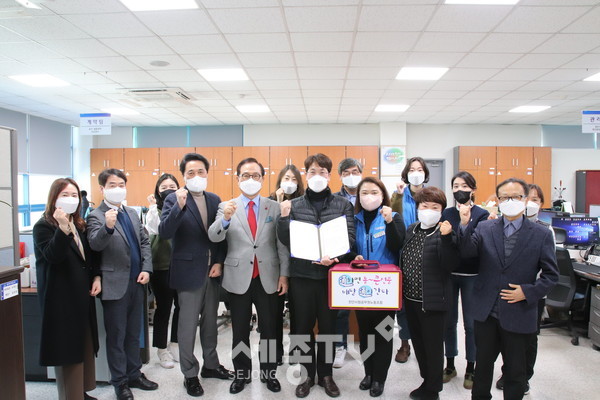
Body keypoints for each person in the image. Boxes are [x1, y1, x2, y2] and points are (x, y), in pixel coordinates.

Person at [458, 178, 559, 400]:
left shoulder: (541, 234)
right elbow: (467, 253)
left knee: (515, 372)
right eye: (505, 197)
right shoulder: (485, 227)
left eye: (516, 197)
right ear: (498, 200)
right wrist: (464, 225)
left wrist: (528, 292)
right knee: (482, 368)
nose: (510, 201)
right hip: (486, 312)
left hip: (519, 312)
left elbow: (552, 275)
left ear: (525, 199)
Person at [277, 153, 355, 398]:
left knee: (329, 328)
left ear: (329, 176)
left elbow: (350, 238)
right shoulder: (295, 204)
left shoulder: (343, 204)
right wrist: (284, 217)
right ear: (306, 175)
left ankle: (326, 374)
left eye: (322, 172)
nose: (317, 176)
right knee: (302, 328)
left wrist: (336, 256)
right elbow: (285, 239)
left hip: (330, 277)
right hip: (302, 276)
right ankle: (307, 374)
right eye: (312, 171)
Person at [208, 157, 290, 394]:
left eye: (255, 175)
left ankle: (269, 373)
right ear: (238, 179)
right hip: (238, 277)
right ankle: (241, 374)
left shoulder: (273, 206)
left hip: (268, 277)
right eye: (246, 175)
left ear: (263, 179)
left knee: (269, 330)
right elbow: (214, 236)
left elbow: (281, 244)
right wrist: (225, 219)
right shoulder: (226, 206)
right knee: (240, 331)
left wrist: (284, 275)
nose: (250, 179)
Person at [159, 153, 232, 397]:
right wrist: (179, 207)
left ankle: (211, 365)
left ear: (207, 174)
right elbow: (165, 232)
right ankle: (190, 374)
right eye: (191, 173)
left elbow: (221, 235)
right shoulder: (174, 198)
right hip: (188, 271)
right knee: (187, 326)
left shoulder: (214, 199)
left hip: (212, 271)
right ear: (183, 176)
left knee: (210, 324)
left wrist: (219, 262)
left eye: (201, 172)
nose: (196, 176)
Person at [87, 169, 158, 400]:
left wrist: (146, 268)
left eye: (121, 185)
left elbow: (144, 241)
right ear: (102, 189)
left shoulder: (131, 213)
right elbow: (95, 245)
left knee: (134, 333)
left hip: (137, 282)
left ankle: (134, 374)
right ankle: (120, 382)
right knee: (117, 336)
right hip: (114, 284)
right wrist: (108, 227)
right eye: (112, 185)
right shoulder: (96, 216)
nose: (117, 189)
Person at [33, 178, 101, 400]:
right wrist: (62, 229)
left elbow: (88, 258)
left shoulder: (79, 224)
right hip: (61, 299)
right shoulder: (44, 226)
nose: (71, 199)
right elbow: (53, 256)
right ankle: (71, 395)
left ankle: (80, 392)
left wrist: (96, 276)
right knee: (67, 351)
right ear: (54, 198)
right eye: (65, 195)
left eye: (74, 195)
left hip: (81, 296)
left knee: (83, 346)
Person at [495, 183, 554, 394]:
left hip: (532, 294)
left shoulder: (544, 231)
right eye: (506, 198)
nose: (530, 204)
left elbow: (550, 271)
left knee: (527, 340)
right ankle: (507, 372)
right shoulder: (500, 226)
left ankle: (524, 376)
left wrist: (529, 291)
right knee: (507, 336)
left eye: (535, 200)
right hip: (507, 292)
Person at [401, 186, 459, 400]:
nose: (429, 211)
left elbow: (450, 265)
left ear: (442, 210)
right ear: (418, 208)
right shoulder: (412, 229)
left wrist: (447, 238)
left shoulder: (445, 232)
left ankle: (433, 390)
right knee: (418, 343)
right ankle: (426, 380)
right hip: (411, 299)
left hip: (433, 302)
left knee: (433, 347)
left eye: (435, 207)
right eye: (425, 206)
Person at [351, 177, 405, 397]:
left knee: (383, 334)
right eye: (364, 192)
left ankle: (379, 378)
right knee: (365, 334)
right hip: (361, 287)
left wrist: (389, 221)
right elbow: (347, 247)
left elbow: (397, 244)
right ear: (358, 196)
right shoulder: (354, 219)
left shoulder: (394, 217)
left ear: (383, 195)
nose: (369, 197)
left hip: (385, 288)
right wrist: (354, 256)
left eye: (374, 192)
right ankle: (368, 373)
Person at [441, 171, 490, 390]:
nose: (459, 190)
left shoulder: (482, 214)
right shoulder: (446, 213)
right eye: (456, 186)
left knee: (471, 324)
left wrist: (463, 223)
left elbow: (473, 246)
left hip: (473, 275)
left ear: (473, 189)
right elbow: (447, 243)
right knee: (449, 322)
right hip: (450, 274)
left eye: (464, 186)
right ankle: (450, 365)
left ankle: (471, 368)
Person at [391, 156, 430, 363]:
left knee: (424, 302)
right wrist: (398, 195)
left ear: (425, 173)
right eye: (412, 169)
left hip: (426, 255)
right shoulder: (399, 194)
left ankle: (422, 341)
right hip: (403, 254)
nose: (416, 173)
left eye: (420, 169)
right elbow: (393, 219)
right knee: (403, 303)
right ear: (406, 173)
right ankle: (405, 343)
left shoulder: (432, 195)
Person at [269, 165, 305, 365]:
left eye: (293, 179)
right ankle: (274, 353)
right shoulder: (270, 201)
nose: (289, 182)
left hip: (298, 264)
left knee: (299, 312)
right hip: (275, 266)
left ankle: (296, 351)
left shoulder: (304, 203)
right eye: (286, 178)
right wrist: (278, 203)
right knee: (273, 313)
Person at [145, 173, 180, 369]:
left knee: (181, 306)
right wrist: (152, 206)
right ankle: (161, 349)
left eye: (172, 187)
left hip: (181, 265)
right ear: (157, 191)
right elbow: (159, 229)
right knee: (164, 308)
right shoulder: (154, 210)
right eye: (164, 187)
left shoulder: (183, 207)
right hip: (161, 265)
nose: (169, 190)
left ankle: (175, 343)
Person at [332, 158, 363, 368]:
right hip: (343, 256)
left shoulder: (369, 195)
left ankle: (370, 347)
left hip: (367, 254)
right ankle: (340, 346)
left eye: (355, 171)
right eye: (346, 173)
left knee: (368, 304)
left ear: (361, 173)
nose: (351, 176)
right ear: (340, 176)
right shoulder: (334, 199)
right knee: (341, 307)